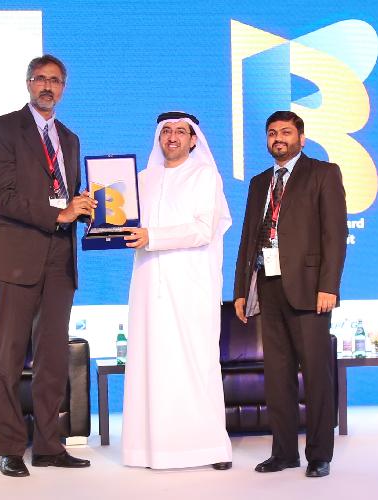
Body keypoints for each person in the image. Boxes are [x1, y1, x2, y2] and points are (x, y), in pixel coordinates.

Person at [0, 54, 96, 477]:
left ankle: (49, 445)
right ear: (29, 83)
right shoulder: (2, 129)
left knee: (52, 359)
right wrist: (60, 213)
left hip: (60, 259)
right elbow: (4, 196)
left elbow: (67, 192)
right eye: (40, 79)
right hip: (17, 257)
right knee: (8, 359)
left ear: (63, 88)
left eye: (55, 81)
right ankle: (11, 447)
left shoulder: (69, 138)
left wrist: (88, 209)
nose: (47, 86)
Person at [233, 110, 347, 478]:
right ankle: (283, 453)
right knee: (277, 376)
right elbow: (248, 239)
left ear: (301, 137)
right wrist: (240, 290)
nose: (278, 138)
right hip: (268, 286)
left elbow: (335, 235)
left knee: (315, 376)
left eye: (285, 132)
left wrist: (329, 286)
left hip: (310, 290)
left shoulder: (323, 173)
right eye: (272, 133)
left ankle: (319, 455)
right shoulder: (259, 182)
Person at [121, 111, 233, 470]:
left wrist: (153, 237)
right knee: (151, 364)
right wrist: (97, 207)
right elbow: (121, 223)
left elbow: (203, 229)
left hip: (190, 287)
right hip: (147, 286)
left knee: (195, 364)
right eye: (166, 131)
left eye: (181, 132)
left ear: (193, 139)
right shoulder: (142, 179)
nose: (172, 137)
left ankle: (210, 448)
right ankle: (148, 450)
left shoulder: (205, 175)